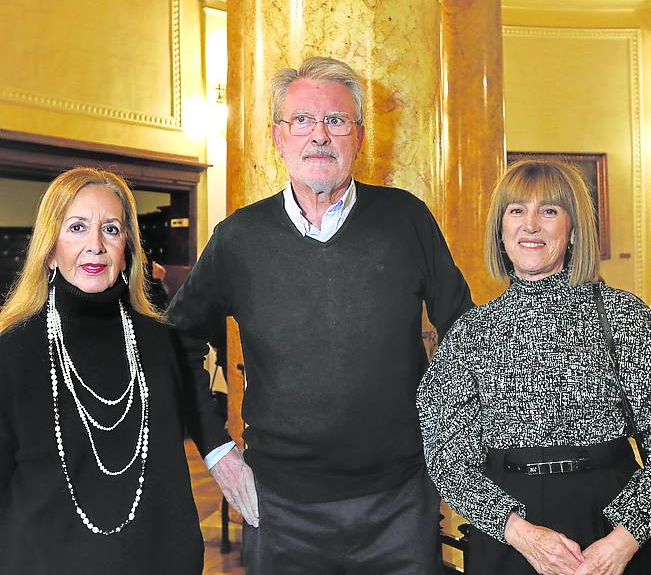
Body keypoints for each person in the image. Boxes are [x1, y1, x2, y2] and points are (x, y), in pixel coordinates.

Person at [167, 55, 473, 574]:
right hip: (282, 510)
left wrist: (449, 441)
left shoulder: (406, 219)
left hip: (400, 503)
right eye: (302, 121)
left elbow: (467, 334)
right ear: (277, 136)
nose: (319, 136)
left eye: (336, 121)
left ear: (358, 136)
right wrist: (217, 453)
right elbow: (175, 344)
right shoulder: (240, 239)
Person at [417, 159, 651, 575]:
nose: (530, 225)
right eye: (516, 210)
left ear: (573, 229)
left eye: (549, 211)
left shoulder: (624, 317)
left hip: (613, 524)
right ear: (501, 230)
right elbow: (447, 458)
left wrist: (623, 540)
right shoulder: (473, 333)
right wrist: (520, 533)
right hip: (511, 534)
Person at [0, 167, 225, 574]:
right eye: (78, 227)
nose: (96, 245)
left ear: (128, 250)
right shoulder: (10, 352)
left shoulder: (161, 344)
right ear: (50, 250)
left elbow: (170, 489)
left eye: (111, 229)